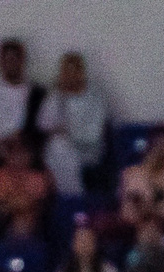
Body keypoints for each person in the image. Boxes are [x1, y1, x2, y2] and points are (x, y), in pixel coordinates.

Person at [42, 52, 107, 200]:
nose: (70, 76)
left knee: (61, 148)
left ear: (81, 72)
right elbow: (43, 123)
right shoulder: (56, 95)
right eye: (66, 71)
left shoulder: (95, 96)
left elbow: (94, 135)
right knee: (58, 147)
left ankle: (73, 198)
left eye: (74, 71)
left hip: (87, 150)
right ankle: (63, 198)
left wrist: (68, 133)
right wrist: (59, 97)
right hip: (57, 150)